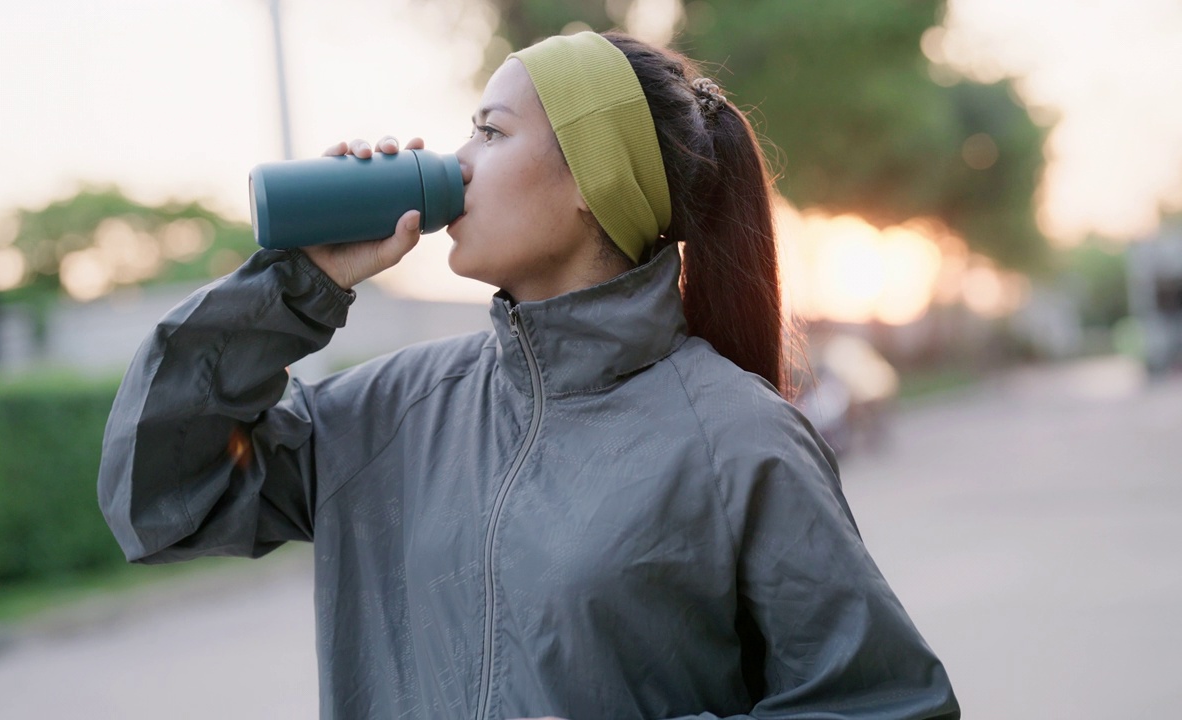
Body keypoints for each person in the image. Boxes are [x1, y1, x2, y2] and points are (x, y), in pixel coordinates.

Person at [98, 30, 959, 719]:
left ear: (594, 180)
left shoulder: (737, 440)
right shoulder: (390, 411)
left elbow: (887, 702)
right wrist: (299, 280)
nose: (457, 160)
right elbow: (161, 497)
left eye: (491, 131)